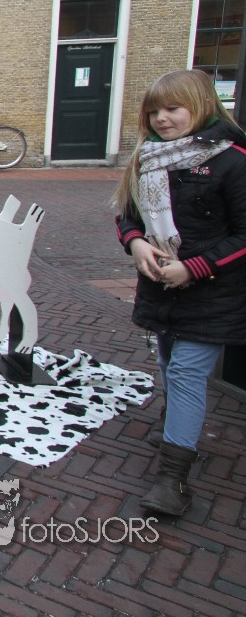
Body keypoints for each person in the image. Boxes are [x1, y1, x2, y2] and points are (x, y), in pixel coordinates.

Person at [112, 69, 246, 518]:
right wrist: (135, 242)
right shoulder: (149, 158)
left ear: (201, 106)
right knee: (168, 362)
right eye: (154, 111)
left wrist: (194, 267)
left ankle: (173, 480)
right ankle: (174, 425)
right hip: (162, 288)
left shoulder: (234, 161)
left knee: (187, 371)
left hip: (213, 292)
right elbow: (127, 213)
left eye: (173, 109)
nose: (162, 119)